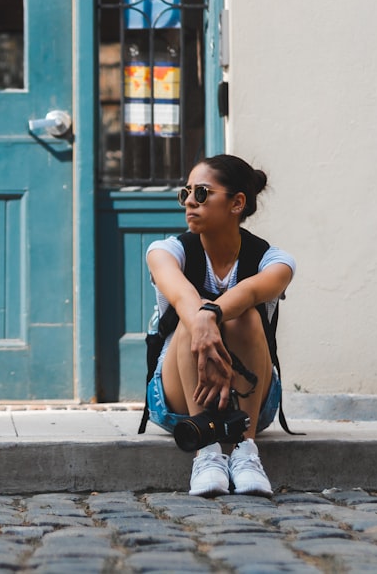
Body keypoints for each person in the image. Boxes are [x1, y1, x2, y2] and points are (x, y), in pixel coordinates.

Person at [145, 154, 295, 497]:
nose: (189, 203)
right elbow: (182, 296)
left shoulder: (275, 261)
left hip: (254, 406)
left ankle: (245, 452)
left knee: (243, 313)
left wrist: (212, 315)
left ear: (237, 203)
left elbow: (251, 291)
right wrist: (203, 319)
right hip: (178, 399)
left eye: (201, 193)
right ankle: (207, 452)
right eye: (185, 193)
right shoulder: (166, 251)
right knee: (191, 316)